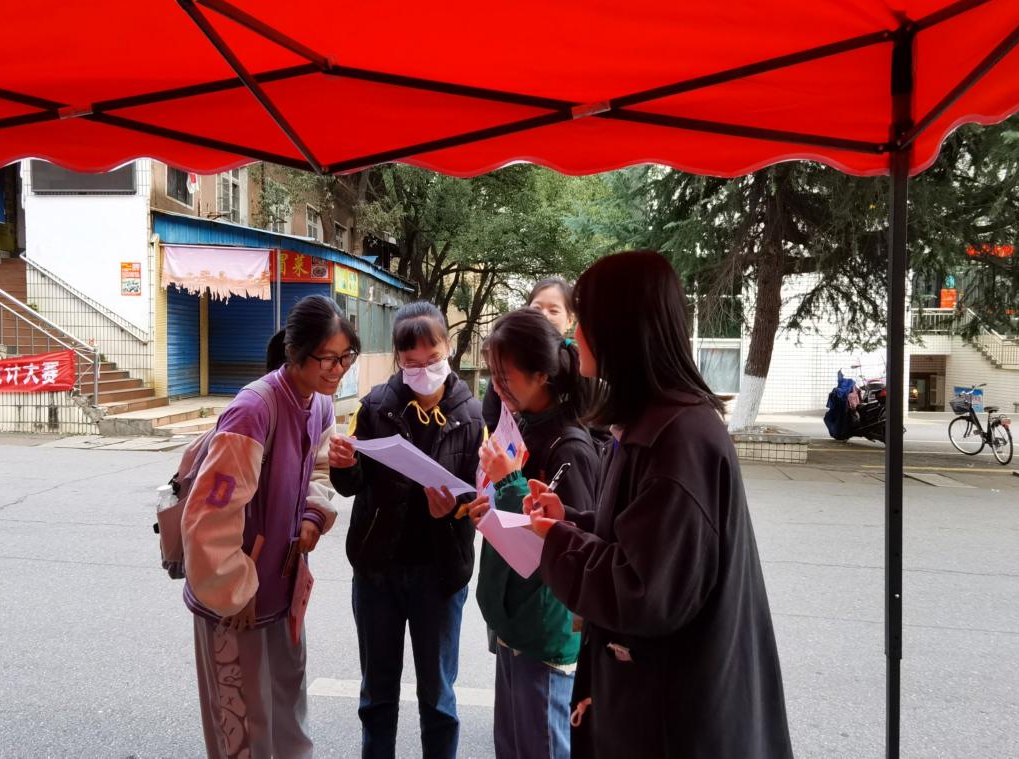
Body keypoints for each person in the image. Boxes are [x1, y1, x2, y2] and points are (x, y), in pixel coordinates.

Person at [524, 251, 794, 758]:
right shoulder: (654, 424)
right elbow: (642, 536)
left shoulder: (679, 439)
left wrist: (559, 542)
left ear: (621, 329)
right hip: (655, 704)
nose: (574, 334)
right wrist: (571, 522)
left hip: (676, 720)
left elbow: (644, 586)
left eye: (585, 319)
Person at [181, 295, 359, 759]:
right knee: (240, 727)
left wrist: (313, 515)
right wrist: (233, 591)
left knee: (287, 713)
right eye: (327, 358)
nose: (339, 370)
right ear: (295, 353)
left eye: (346, 357)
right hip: (235, 600)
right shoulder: (253, 410)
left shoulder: (319, 403)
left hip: (282, 589)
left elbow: (320, 467)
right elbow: (208, 515)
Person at [328, 302, 484, 759]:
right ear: (398, 359)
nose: (423, 371)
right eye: (411, 363)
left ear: (448, 348)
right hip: (378, 572)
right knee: (377, 694)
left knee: (438, 697)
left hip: (441, 575)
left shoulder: (474, 417)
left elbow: (482, 497)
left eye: (432, 359)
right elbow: (352, 484)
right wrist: (344, 464)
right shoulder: (374, 406)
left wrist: (453, 510)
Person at [466, 307, 600, 759]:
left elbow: (569, 545)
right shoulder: (522, 422)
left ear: (542, 375)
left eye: (506, 377)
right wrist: (488, 507)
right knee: (512, 746)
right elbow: (515, 521)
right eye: (493, 376)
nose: (496, 387)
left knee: (541, 748)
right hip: (514, 618)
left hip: (544, 630)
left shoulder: (571, 447)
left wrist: (508, 482)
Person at [482, 277, 576, 430]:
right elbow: (492, 421)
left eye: (553, 310)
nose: (544, 315)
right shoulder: (505, 368)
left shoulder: (578, 370)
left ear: (570, 320)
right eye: (537, 309)